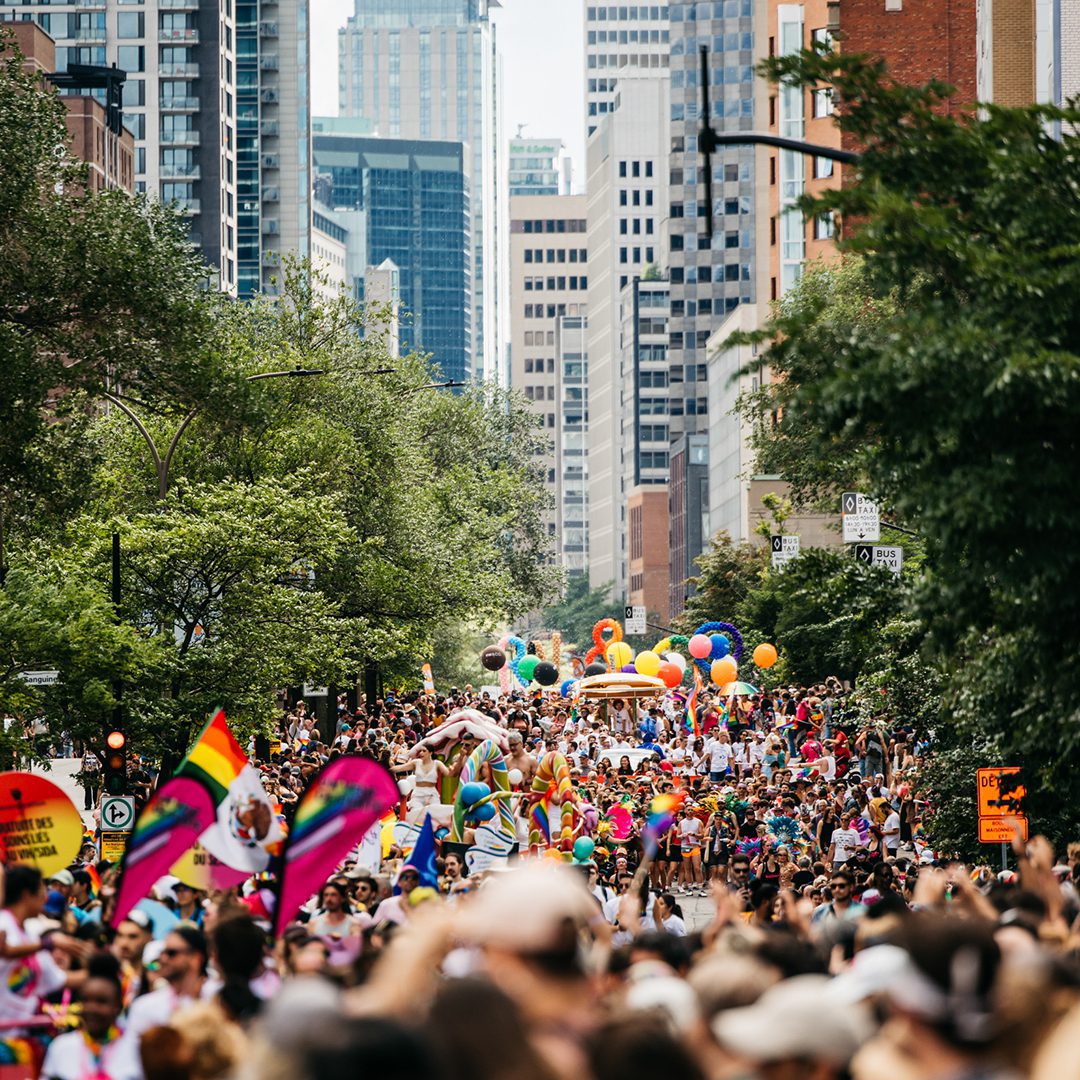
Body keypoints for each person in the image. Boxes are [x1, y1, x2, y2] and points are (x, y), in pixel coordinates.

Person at [0, 865, 87, 1035]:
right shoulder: (3, 923)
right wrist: (46, 944)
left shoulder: (32, 932)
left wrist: (105, 967)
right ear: (26, 895)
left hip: (19, 1035)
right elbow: (4, 949)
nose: (46, 897)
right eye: (42, 890)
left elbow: (59, 978)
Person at [39, 955, 141, 1080]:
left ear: (118, 1007)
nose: (91, 1009)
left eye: (101, 1001)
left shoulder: (136, 1049)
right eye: (86, 1000)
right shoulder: (61, 1046)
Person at [125, 925, 218, 1039]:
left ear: (195, 958)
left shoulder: (218, 1001)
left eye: (171, 953)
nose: (163, 959)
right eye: (163, 952)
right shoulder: (145, 1007)